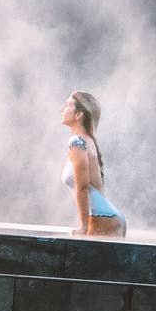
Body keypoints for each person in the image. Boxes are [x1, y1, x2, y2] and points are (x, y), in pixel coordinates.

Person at [60, 91, 126, 237]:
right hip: (107, 217)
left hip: (104, 219)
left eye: (68, 105)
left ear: (79, 115)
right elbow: (95, 190)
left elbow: (82, 187)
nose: (62, 109)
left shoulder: (77, 142)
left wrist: (83, 227)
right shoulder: (86, 141)